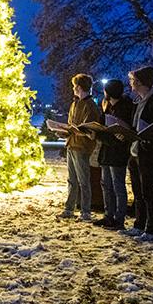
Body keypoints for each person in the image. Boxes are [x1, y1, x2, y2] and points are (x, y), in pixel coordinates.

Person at [126, 66, 153, 241]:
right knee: (137, 190)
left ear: (140, 82)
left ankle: (151, 228)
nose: (131, 84)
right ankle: (139, 223)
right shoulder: (139, 101)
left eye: (133, 80)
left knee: (148, 190)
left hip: (148, 152)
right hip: (135, 151)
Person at [55, 74, 101, 222]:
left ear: (79, 87)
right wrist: (64, 131)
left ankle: (85, 211)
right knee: (72, 180)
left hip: (81, 147)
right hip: (72, 144)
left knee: (83, 180)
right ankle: (69, 208)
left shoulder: (90, 106)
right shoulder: (75, 103)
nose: (73, 89)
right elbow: (72, 125)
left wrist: (74, 131)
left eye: (74, 86)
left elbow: (89, 129)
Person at [94, 79, 135, 231]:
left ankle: (119, 218)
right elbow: (101, 125)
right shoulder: (107, 106)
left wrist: (105, 135)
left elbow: (122, 133)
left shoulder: (125, 107)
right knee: (106, 185)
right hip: (106, 151)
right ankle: (108, 214)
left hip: (117, 152)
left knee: (118, 186)